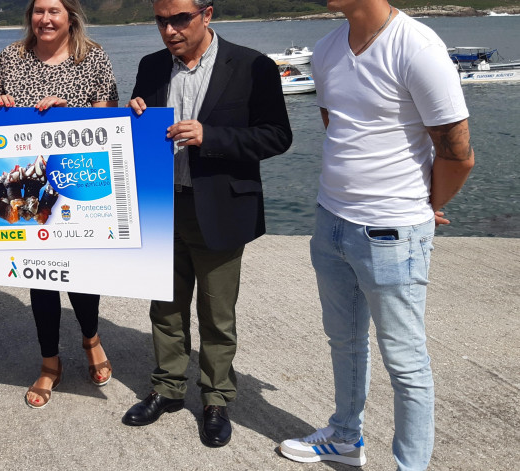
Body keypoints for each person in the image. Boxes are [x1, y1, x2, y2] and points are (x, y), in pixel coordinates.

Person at [278, 1, 474, 469]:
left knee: (406, 363)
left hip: (392, 233)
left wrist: (427, 208)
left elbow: (458, 150)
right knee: (343, 340)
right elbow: (338, 127)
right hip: (331, 221)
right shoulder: (326, 50)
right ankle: (346, 437)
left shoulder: (417, 46)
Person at [120, 0, 292, 448]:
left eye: (181, 19)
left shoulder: (253, 66)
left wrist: (209, 136)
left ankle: (216, 399)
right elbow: (143, 124)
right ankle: (166, 389)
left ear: (207, 14)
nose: (170, 30)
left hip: (218, 207)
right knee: (165, 307)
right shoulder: (151, 65)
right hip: (161, 205)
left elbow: (277, 135)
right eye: (162, 21)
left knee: (217, 313)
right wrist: (135, 111)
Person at [0, 0, 118, 409]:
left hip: (76, 181)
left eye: (54, 11)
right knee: (40, 279)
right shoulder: (11, 57)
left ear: (70, 16)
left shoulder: (93, 58)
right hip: (27, 185)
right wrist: (1, 106)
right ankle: (48, 362)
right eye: (39, 10)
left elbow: (109, 120)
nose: (45, 18)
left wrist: (71, 111)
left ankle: (91, 338)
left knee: (81, 274)